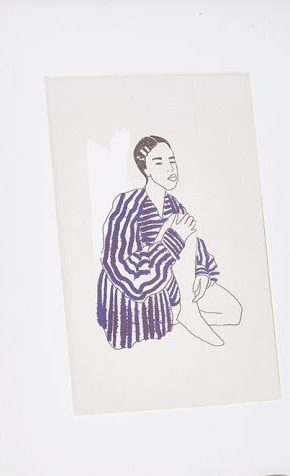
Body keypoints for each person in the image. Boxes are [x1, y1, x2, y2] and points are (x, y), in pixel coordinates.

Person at [96, 135, 242, 349]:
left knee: (233, 312)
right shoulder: (127, 203)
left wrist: (202, 272)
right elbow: (118, 263)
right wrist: (173, 239)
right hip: (139, 286)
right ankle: (186, 313)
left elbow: (196, 248)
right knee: (178, 225)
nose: (170, 168)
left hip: (173, 284)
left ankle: (179, 314)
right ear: (146, 169)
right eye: (159, 162)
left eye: (172, 160)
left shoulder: (174, 205)